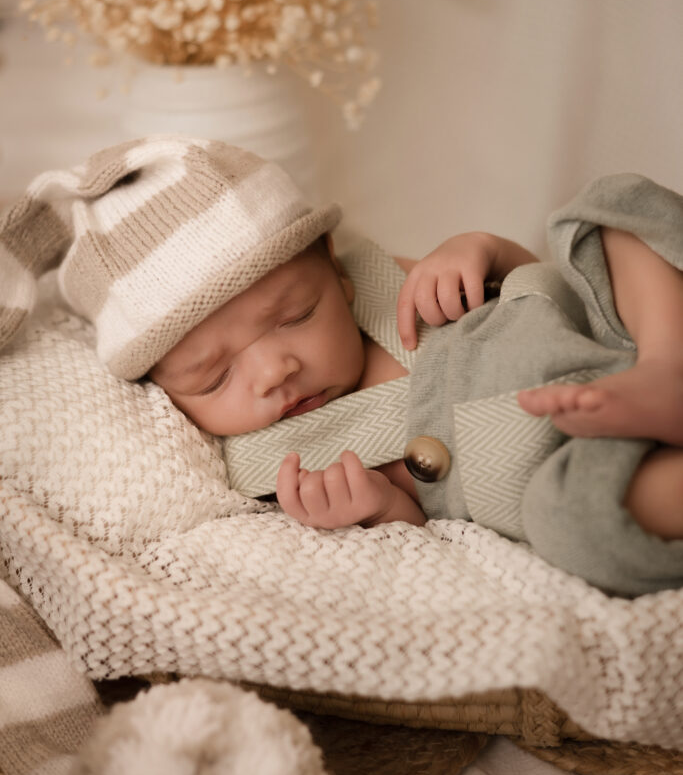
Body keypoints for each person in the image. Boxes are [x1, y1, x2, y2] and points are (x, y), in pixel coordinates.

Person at [1, 135, 682, 596]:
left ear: (334, 268)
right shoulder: (272, 465)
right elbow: (426, 535)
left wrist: (481, 251)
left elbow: (534, 282)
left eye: (294, 314)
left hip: (607, 335)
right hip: (558, 463)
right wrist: (380, 507)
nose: (272, 370)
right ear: (163, 392)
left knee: (607, 207)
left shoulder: (385, 280)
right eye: (212, 376)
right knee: (577, 525)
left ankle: (664, 367)